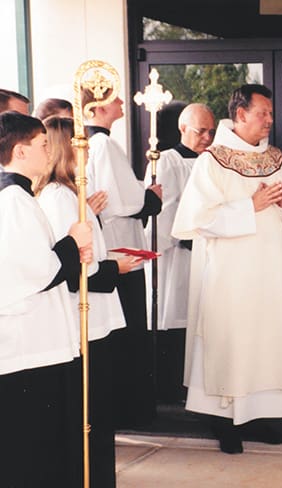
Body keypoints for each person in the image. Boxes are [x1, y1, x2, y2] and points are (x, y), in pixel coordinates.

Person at [171, 84, 282, 454]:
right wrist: (249, 206)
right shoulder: (212, 160)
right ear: (240, 114)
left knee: (265, 338)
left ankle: (259, 416)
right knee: (230, 340)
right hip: (229, 271)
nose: (269, 120)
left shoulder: (279, 160)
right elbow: (197, 219)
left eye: (270, 113)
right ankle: (224, 422)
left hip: (272, 266)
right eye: (262, 113)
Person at [36, 115, 138, 488]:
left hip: (94, 318)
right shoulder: (60, 197)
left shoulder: (67, 195)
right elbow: (81, 268)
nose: (88, 159)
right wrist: (118, 268)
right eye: (82, 150)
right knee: (90, 414)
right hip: (86, 321)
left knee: (98, 411)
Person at [0, 111, 92, 486]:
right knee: (33, 448)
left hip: (34, 342)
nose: (49, 153)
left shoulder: (20, 197)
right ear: (20, 152)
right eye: (42, 146)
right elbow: (36, 271)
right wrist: (74, 242)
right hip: (27, 346)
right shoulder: (12, 201)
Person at [83, 87, 163, 428]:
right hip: (118, 250)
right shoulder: (103, 145)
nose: (121, 103)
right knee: (129, 328)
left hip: (114, 245)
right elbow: (124, 202)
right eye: (114, 99)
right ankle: (134, 410)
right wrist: (151, 197)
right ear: (96, 107)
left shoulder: (99, 144)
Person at [143, 102, 215, 402]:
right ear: (183, 128)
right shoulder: (167, 162)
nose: (207, 138)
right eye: (201, 131)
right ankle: (171, 388)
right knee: (175, 318)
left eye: (211, 132)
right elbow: (165, 210)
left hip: (209, 254)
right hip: (178, 255)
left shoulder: (213, 161)